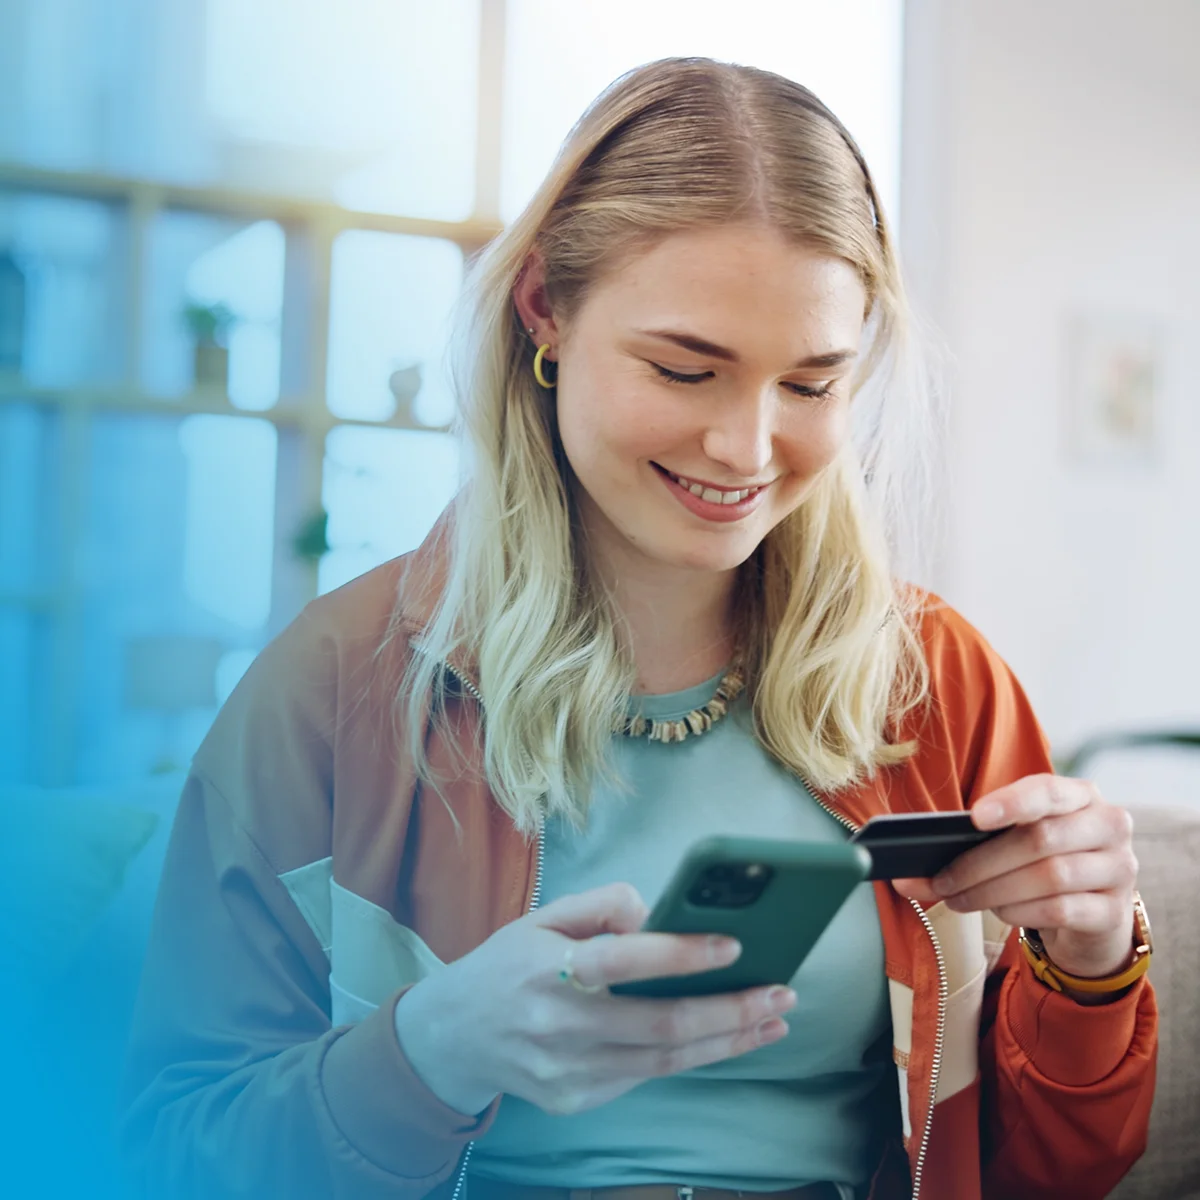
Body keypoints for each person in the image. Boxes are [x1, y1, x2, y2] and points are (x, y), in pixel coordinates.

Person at [117, 58, 1157, 1200]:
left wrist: (1093, 963)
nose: (748, 449)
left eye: (812, 385)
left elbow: (1056, 1174)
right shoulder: (333, 689)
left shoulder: (935, 680)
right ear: (544, 312)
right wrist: (430, 1055)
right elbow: (173, 1156)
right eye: (684, 368)